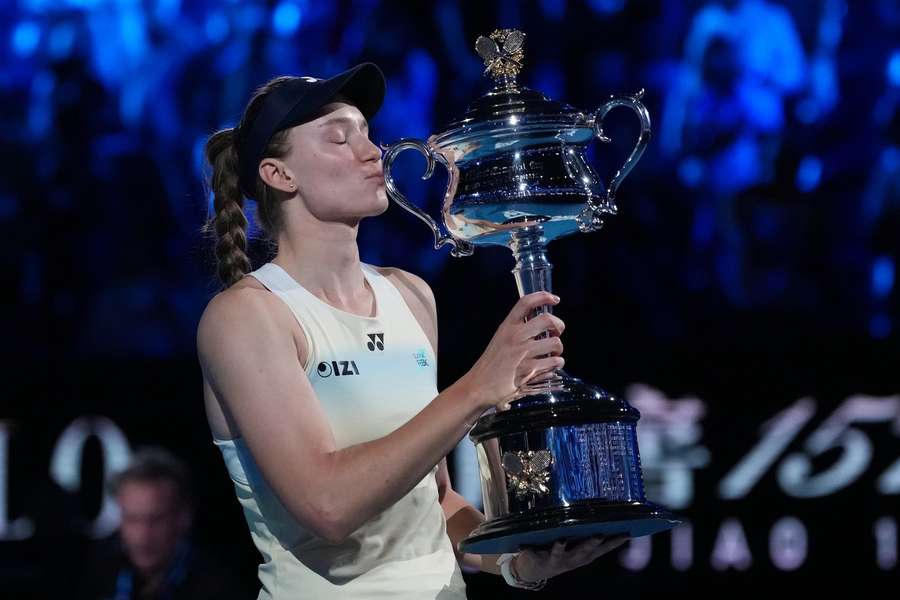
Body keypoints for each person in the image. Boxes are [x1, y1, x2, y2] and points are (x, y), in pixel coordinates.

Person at [196, 62, 627, 599]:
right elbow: (327, 506)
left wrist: (519, 564)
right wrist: (477, 389)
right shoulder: (247, 315)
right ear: (279, 175)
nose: (371, 151)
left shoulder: (410, 295)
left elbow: (435, 501)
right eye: (338, 138)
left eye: (367, 134)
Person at [78, 446, 250, 600]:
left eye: (156, 519)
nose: (143, 535)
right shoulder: (98, 575)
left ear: (183, 517)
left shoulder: (219, 585)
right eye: (132, 519)